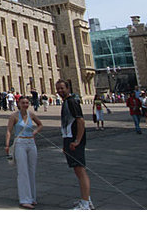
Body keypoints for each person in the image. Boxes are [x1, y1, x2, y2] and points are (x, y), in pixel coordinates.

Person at [56, 79, 93, 210]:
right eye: (58, 89)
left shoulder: (72, 101)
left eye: (62, 88)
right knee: (78, 171)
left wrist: (77, 140)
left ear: (68, 88)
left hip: (74, 141)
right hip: (69, 139)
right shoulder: (66, 101)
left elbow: (81, 121)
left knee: (80, 171)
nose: (60, 91)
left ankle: (85, 204)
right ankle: (86, 199)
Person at [5, 96, 43, 209]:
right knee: (23, 172)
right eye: (23, 103)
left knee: (32, 171)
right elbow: (8, 131)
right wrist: (7, 145)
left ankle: (32, 197)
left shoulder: (31, 114)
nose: (25, 104)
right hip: (20, 143)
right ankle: (24, 199)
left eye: (27, 103)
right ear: (19, 103)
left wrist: (35, 132)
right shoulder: (14, 116)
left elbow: (40, 124)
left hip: (31, 143)